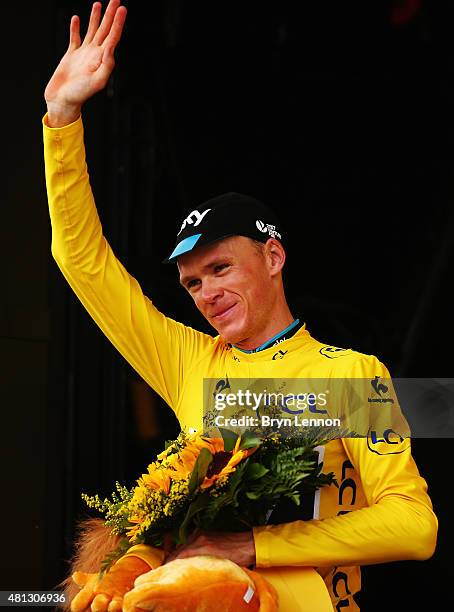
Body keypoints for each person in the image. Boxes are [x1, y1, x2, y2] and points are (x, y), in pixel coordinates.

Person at [43, 1, 438, 610]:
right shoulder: (189, 361)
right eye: (194, 283)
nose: (208, 294)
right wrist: (62, 118)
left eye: (221, 268)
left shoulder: (352, 375)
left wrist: (250, 546)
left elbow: (415, 527)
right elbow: (82, 263)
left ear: (273, 258)